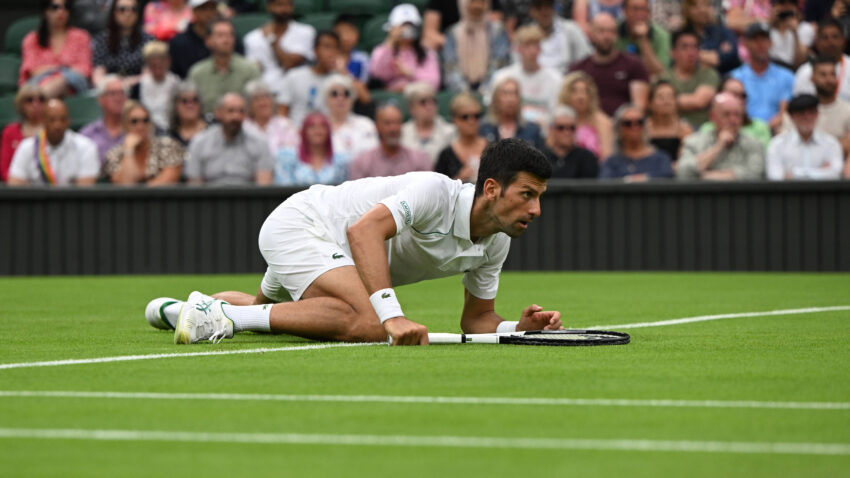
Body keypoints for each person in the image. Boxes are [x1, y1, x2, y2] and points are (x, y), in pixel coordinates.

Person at [144, 138, 561, 347]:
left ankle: (190, 310)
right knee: (368, 321)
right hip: (305, 223)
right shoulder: (435, 192)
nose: (537, 209)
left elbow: (477, 320)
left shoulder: (496, 241)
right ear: (491, 189)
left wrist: (516, 328)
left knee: (263, 310)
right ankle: (224, 316)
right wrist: (392, 318)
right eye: (527, 194)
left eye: (539, 197)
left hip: (336, 254)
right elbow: (363, 231)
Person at [569, 13, 649, 116]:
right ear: (591, 34)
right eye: (601, 31)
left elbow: (639, 107)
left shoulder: (634, 65)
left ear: (617, 35)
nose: (607, 36)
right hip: (589, 123)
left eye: (611, 31)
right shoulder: (578, 70)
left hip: (624, 123)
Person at [185, 93, 273, 185]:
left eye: (241, 111)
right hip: (210, 193)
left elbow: (264, 185)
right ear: (218, 113)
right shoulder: (200, 143)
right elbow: (194, 185)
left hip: (247, 193)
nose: (236, 116)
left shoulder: (260, 143)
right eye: (230, 111)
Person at [7, 99, 99, 186]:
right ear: (43, 121)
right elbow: (15, 185)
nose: (57, 125)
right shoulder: (26, 147)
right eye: (52, 120)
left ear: (68, 121)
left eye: (62, 119)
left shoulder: (86, 147)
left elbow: (84, 191)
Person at [490, 25, 563, 131]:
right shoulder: (502, 77)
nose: (533, 51)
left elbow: (557, 114)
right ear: (518, 49)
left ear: (540, 49)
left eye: (536, 45)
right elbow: (494, 111)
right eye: (527, 46)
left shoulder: (556, 79)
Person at [677, 92, 765, 180]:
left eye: (737, 115)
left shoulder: (754, 143)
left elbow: (756, 174)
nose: (733, 120)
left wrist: (705, 176)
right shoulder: (694, 142)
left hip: (741, 189)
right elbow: (684, 171)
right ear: (712, 116)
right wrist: (718, 146)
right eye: (726, 114)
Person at [19, 0, 93, 98]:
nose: (61, 11)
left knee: (62, 81)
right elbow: (32, 71)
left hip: (73, 88)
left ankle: (39, 100)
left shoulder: (81, 37)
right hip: (38, 84)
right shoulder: (32, 39)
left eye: (66, 7)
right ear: (45, 11)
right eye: (55, 7)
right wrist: (64, 68)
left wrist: (54, 72)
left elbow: (84, 69)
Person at [188, 19, 260, 115]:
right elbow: (190, 105)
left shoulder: (250, 70)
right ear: (208, 41)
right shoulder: (197, 73)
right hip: (207, 121)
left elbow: (257, 105)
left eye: (230, 35)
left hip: (242, 120)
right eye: (220, 35)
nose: (226, 40)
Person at [730, 22, 794, 131]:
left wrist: (765, 129)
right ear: (745, 43)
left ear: (770, 43)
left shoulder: (786, 76)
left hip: (776, 130)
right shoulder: (735, 77)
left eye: (764, 40)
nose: (760, 44)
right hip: (743, 130)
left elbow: (784, 112)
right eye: (755, 40)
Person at [244, 0, 315, 96]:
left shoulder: (306, 32)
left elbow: (288, 64)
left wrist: (272, 40)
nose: (284, 9)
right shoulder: (252, 38)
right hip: (265, 93)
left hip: (296, 92)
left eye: (288, 4)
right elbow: (254, 70)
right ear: (269, 7)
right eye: (279, 4)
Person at [781, 57, 850, 155]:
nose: (829, 79)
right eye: (823, 75)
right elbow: (785, 143)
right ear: (812, 78)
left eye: (832, 74)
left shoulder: (848, 110)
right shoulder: (799, 110)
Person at [766, 94, 843, 180]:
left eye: (811, 112)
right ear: (792, 116)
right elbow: (775, 177)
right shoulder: (777, 144)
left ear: (817, 114)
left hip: (823, 190)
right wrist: (822, 172)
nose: (807, 117)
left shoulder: (831, 143)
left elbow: (836, 174)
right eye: (801, 113)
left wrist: (793, 174)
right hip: (791, 190)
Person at [104, 101, 184, 185]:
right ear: (125, 125)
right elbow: (125, 184)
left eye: (145, 120)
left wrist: (139, 190)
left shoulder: (168, 146)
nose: (140, 126)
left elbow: (167, 182)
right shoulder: (115, 154)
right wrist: (129, 150)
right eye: (134, 121)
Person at [368, 4, 441, 93]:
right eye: (402, 26)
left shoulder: (427, 52)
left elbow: (434, 82)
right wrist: (390, 41)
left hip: (417, 96)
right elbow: (376, 74)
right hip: (390, 96)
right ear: (392, 28)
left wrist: (409, 73)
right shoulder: (381, 50)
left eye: (410, 26)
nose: (406, 30)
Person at [441, 0, 511, 93]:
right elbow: (451, 68)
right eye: (472, 2)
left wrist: (484, 90)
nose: (477, 6)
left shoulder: (497, 30)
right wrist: (465, 92)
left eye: (481, 2)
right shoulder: (452, 33)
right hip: (460, 92)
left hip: (491, 90)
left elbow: (499, 63)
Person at [349, 103, 432, 180]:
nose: (393, 128)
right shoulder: (362, 162)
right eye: (387, 123)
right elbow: (357, 190)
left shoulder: (420, 159)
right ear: (377, 126)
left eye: (397, 122)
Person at [659, 29, 719, 128]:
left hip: (702, 130)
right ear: (673, 53)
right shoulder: (663, 77)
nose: (691, 53)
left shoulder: (709, 74)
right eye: (684, 47)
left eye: (694, 47)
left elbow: (699, 101)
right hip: (671, 129)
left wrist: (668, 101)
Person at [277, 31, 340, 126]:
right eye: (327, 47)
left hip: (331, 132)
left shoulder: (341, 81)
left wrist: (343, 72)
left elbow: (362, 99)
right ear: (315, 50)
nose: (332, 53)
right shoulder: (294, 76)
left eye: (335, 48)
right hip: (296, 131)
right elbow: (282, 112)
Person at [600, 103, 674, 180]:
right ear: (618, 129)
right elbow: (605, 182)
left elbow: (667, 177)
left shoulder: (661, 159)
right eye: (628, 123)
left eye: (639, 122)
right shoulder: (611, 163)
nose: (634, 127)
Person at [273, 112, 349, 186]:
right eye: (312, 126)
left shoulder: (340, 161)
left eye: (323, 126)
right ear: (304, 132)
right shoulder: (287, 157)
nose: (317, 131)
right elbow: (283, 186)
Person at [91, 0, 153, 88]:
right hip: (108, 88)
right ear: (114, 13)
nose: (128, 13)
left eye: (133, 9)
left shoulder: (148, 40)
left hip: (138, 88)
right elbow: (98, 74)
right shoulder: (102, 39)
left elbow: (149, 75)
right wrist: (112, 86)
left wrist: (125, 84)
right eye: (122, 9)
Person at [698, 76, 772, 148]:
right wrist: (719, 145)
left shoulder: (760, 128)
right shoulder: (708, 128)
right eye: (733, 95)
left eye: (743, 96)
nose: (738, 100)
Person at [320, 74, 378, 162]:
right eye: (334, 94)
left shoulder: (366, 124)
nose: (340, 98)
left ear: (352, 99)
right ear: (326, 99)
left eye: (346, 94)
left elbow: (371, 157)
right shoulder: (317, 126)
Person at [558, 72, 614, 160]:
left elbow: (607, 157)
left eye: (585, 91)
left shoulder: (602, 122)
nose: (581, 97)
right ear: (566, 94)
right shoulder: (558, 120)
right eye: (574, 91)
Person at [793, 19, 850, 103]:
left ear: (843, 41)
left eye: (835, 37)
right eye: (825, 37)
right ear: (817, 43)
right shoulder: (805, 71)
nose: (830, 42)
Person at [435, 93, 488, 183]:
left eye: (476, 116)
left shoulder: (493, 149)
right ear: (454, 119)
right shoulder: (446, 155)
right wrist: (458, 180)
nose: (471, 121)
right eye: (465, 117)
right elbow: (438, 187)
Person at [479, 77, 544, 150]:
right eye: (505, 93)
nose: (510, 99)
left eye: (514, 94)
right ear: (496, 99)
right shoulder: (484, 128)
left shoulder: (532, 130)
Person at [527, 0, 592, 72]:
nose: (544, 12)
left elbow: (586, 58)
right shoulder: (526, 35)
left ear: (554, 8)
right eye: (538, 7)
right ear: (531, 11)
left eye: (548, 6)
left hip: (568, 76)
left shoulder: (571, 29)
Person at [401, 82, 456, 164]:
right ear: (411, 108)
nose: (429, 106)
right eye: (423, 102)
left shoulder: (451, 131)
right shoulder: (401, 132)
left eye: (433, 101)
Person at [681, 0, 740, 74]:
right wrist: (713, 55)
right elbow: (679, 62)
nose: (701, 10)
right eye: (696, 6)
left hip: (723, 77)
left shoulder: (723, 32)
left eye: (705, 5)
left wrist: (694, 55)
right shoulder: (681, 35)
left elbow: (729, 57)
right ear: (687, 10)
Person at [1, 86, 46, 183]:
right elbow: (4, 168)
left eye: (41, 99)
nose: (36, 104)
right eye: (30, 100)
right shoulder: (10, 132)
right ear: (21, 105)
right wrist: (18, 182)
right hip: (17, 186)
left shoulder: (51, 131)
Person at [79, 75, 128, 165]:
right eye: (112, 93)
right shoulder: (87, 135)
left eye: (122, 93)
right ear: (101, 99)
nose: (118, 98)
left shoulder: (136, 129)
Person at [242, 79, 299, 156]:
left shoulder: (285, 125)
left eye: (266, 97)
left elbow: (293, 152)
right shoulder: (244, 127)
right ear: (249, 105)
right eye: (257, 99)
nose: (263, 103)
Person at [615, 0, 670, 77]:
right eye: (635, 9)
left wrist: (643, 39)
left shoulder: (662, 35)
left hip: (649, 80)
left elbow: (660, 73)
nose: (640, 14)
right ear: (625, 11)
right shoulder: (614, 31)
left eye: (644, 9)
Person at [541, 106, 599, 179]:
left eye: (571, 128)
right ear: (551, 129)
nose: (567, 132)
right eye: (561, 128)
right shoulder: (541, 158)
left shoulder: (588, 159)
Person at [168, 0, 222, 78]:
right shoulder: (179, 42)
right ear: (194, 10)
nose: (209, 13)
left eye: (213, 8)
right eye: (204, 8)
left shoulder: (227, 37)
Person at [136, 41, 181, 131]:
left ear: (168, 60)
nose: (156, 62)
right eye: (152, 61)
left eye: (161, 59)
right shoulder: (141, 84)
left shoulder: (176, 82)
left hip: (170, 129)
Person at [646, 80, 694, 162]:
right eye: (661, 97)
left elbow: (687, 160)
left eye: (670, 97)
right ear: (651, 103)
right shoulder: (643, 128)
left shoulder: (685, 130)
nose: (666, 101)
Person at [767, 0, 812, 70]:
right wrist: (770, 23)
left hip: (791, 69)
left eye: (791, 4)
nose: (787, 8)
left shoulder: (804, 28)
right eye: (782, 4)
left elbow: (799, 62)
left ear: (797, 8)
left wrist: (795, 33)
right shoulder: (766, 27)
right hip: (769, 67)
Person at [168, 81, 207, 147]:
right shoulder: (169, 137)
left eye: (195, 100)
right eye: (184, 101)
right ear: (175, 106)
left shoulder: (212, 128)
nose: (190, 105)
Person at [334, 15, 370, 85]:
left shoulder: (362, 58)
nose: (345, 38)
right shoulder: (329, 58)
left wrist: (344, 72)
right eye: (340, 33)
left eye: (349, 32)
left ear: (357, 34)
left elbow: (363, 86)